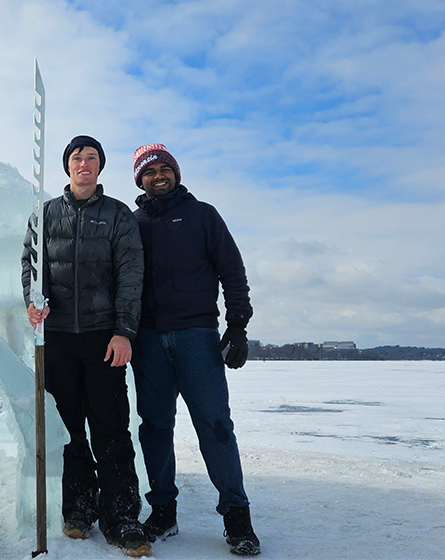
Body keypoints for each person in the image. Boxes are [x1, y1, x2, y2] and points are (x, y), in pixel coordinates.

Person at [127, 143, 259, 556]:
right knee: (154, 428)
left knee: (215, 425)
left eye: (165, 169)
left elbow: (232, 271)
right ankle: (163, 510)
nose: (158, 176)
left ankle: (237, 518)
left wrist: (237, 325)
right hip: (147, 339)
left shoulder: (203, 215)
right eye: (150, 171)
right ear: (140, 180)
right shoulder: (132, 224)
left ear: (177, 174)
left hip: (196, 337)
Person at [21, 135, 150, 557]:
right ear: (67, 167)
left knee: (111, 428)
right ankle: (78, 510)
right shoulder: (45, 215)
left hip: (102, 337)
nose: (84, 163)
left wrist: (124, 331)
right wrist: (32, 300)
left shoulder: (117, 215)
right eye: (77, 158)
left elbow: (131, 274)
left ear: (100, 167)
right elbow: (30, 263)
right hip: (57, 338)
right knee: (70, 428)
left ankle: (122, 518)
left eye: (91, 157)